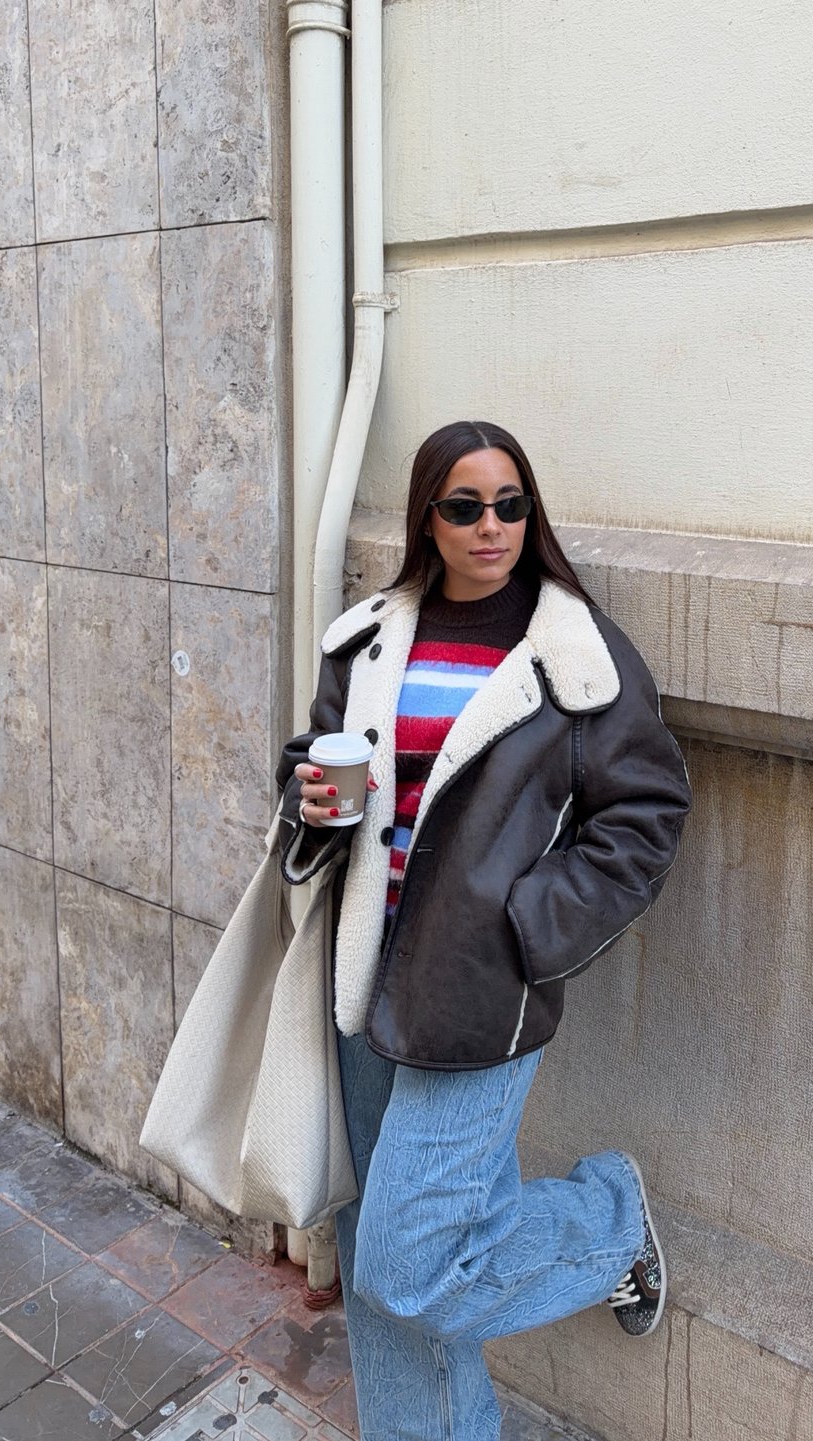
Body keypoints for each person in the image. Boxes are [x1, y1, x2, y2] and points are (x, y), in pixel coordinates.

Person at [275, 421, 691, 1441]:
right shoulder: (369, 636)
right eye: (464, 506)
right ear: (429, 518)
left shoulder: (577, 656)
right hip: (362, 972)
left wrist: (529, 929)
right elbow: (319, 772)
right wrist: (310, 799)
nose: (491, 525)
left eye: (510, 504)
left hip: (482, 987)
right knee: (379, 1246)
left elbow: (644, 814)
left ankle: (608, 1223)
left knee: (408, 1267)